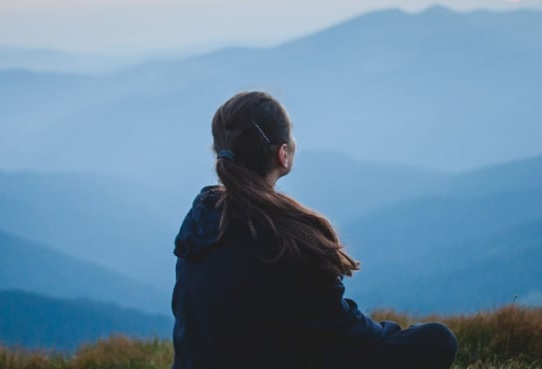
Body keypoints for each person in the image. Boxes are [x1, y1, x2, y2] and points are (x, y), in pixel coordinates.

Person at [171, 91, 458, 369]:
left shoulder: (200, 221)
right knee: (437, 340)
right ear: (283, 154)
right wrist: (396, 336)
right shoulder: (286, 239)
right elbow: (352, 336)